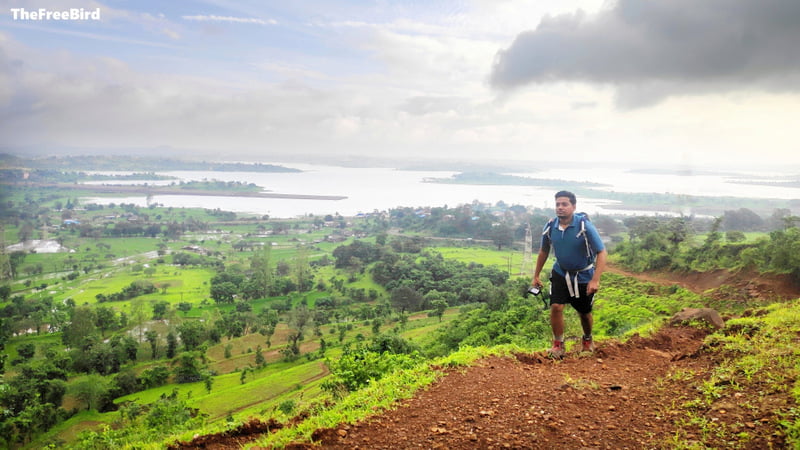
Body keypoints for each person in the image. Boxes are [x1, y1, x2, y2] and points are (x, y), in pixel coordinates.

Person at [532, 190, 607, 358]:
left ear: (573, 206)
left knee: (584, 313)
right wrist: (536, 275)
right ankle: (558, 345)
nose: (560, 207)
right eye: (557, 204)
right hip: (560, 273)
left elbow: (602, 252)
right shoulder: (551, 226)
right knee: (556, 307)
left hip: (583, 276)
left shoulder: (584, 226)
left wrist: (595, 280)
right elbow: (544, 250)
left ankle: (587, 339)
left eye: (564, 204)